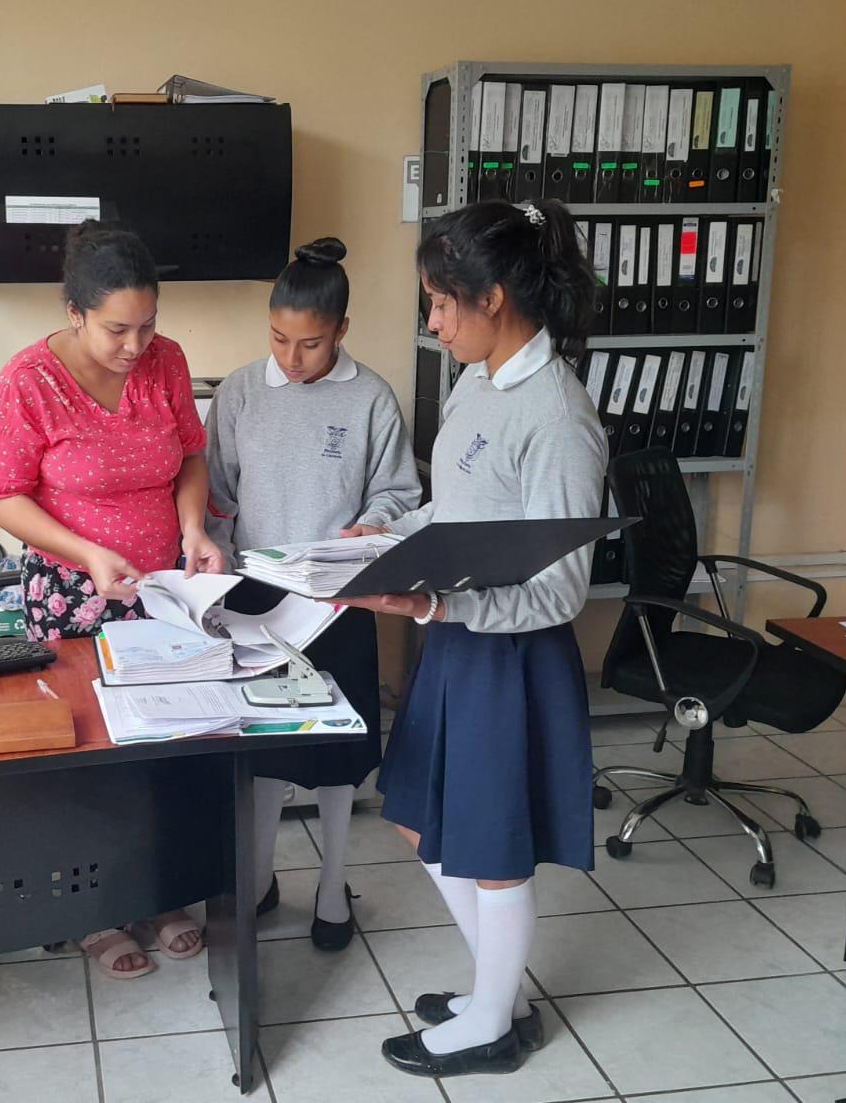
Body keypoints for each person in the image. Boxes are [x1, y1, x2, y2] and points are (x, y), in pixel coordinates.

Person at [344, 199, 605, 1078]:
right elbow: (454, 508)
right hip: (455, 640)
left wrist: (433, 611)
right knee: (415, 816)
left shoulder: (558, 417)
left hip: (511, 655)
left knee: (494, 848)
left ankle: (493, 1021)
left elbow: (560, 589)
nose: (433, 322)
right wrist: (386, 536)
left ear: (492, 298)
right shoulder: (477, 381)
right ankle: (504, 993)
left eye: (441, 302)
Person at [0, 220, 225, 981]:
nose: (135, 344)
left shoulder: (165, 361)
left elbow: (190, 454)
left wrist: (193, 529)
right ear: (74, 311)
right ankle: (92, 909)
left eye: (147, 325)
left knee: (163, 751)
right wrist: (85, 553)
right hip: (71, 597)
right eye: (118, 329)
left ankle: (158, 894)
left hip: (160, 591)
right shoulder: (25, 384)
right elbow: (3, 497)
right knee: (90, 757)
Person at [204, 237, 421, 950]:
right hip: (256, 598)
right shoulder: (240, 392)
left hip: (339, 600)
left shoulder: (370, 397)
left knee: (335, 752)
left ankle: (333, 886)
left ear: (342, 331)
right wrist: (218, 571)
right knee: (265, 745)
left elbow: (397, 491)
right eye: (278, 338)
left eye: (310, 343)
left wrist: (374, 525)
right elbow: (217, 494)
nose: (291, 358)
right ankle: (261, 876)